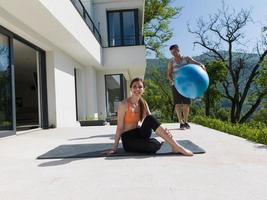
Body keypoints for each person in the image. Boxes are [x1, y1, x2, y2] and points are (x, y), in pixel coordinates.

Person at [105, 77, 193, 156]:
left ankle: (176, 147)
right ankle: (156, 143)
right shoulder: (124, 104)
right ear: (131, 89)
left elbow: (152, 121)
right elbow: (120, 128)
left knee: (150, 118)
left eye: (140, 87)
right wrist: (114, 148)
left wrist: (165, 131)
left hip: (139, 132)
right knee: (153, 146)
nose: (137, 89)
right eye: (134, 86)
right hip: (128, 138)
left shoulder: (143, 103)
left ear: (143, 89)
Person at [167, 44, 206, 130]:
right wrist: (171, 80)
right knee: (177, 104)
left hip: (187, 85)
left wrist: (201, 65)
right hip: (176, 85)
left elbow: (196, 63)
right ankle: (180, 122)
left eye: (174, 52)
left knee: (186, 104)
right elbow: (169, 74)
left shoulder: (187, 59)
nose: (173, 54)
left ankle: (186, 122)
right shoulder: (171, 62)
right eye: (172, 53)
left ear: (178, 49)